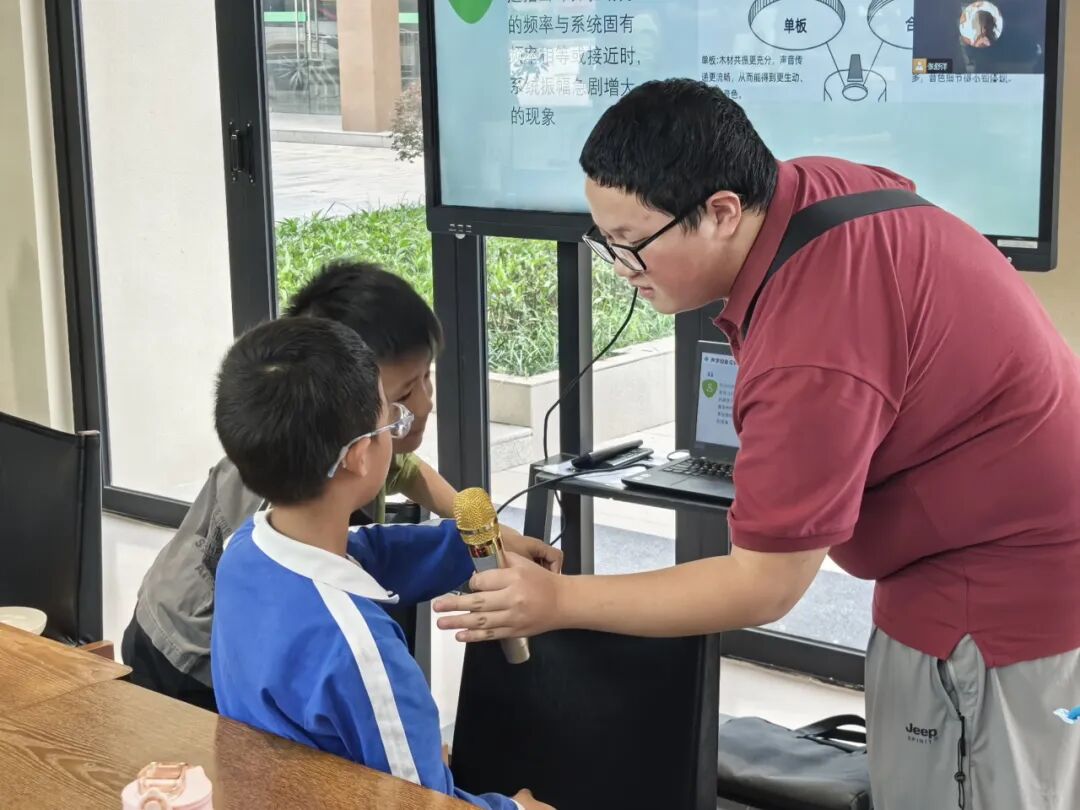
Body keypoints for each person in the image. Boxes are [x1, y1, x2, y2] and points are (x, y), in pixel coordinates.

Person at [434, 79, 1080, 809]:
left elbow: (764, 586)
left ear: (721, 212)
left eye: (631, 244)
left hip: (995, 606)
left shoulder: (813, 344)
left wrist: (559, 600)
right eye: (604, 240)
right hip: (979, 557)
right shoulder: (811, 191)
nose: (619, 268)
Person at [122, 261, 560, 711]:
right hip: (188, 656)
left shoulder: (346, 443)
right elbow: (275, 623)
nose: (425, 403)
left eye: (427, 377)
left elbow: (408, 470)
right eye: (403, 395)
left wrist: (490, 534)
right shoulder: (284, 488)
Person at [211, 317, 551, 810]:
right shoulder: (363, 653)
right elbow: (421, 804)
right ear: (357, 455)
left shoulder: (243, 553)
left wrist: (473, 543)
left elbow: (367, 553)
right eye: (390, 418)